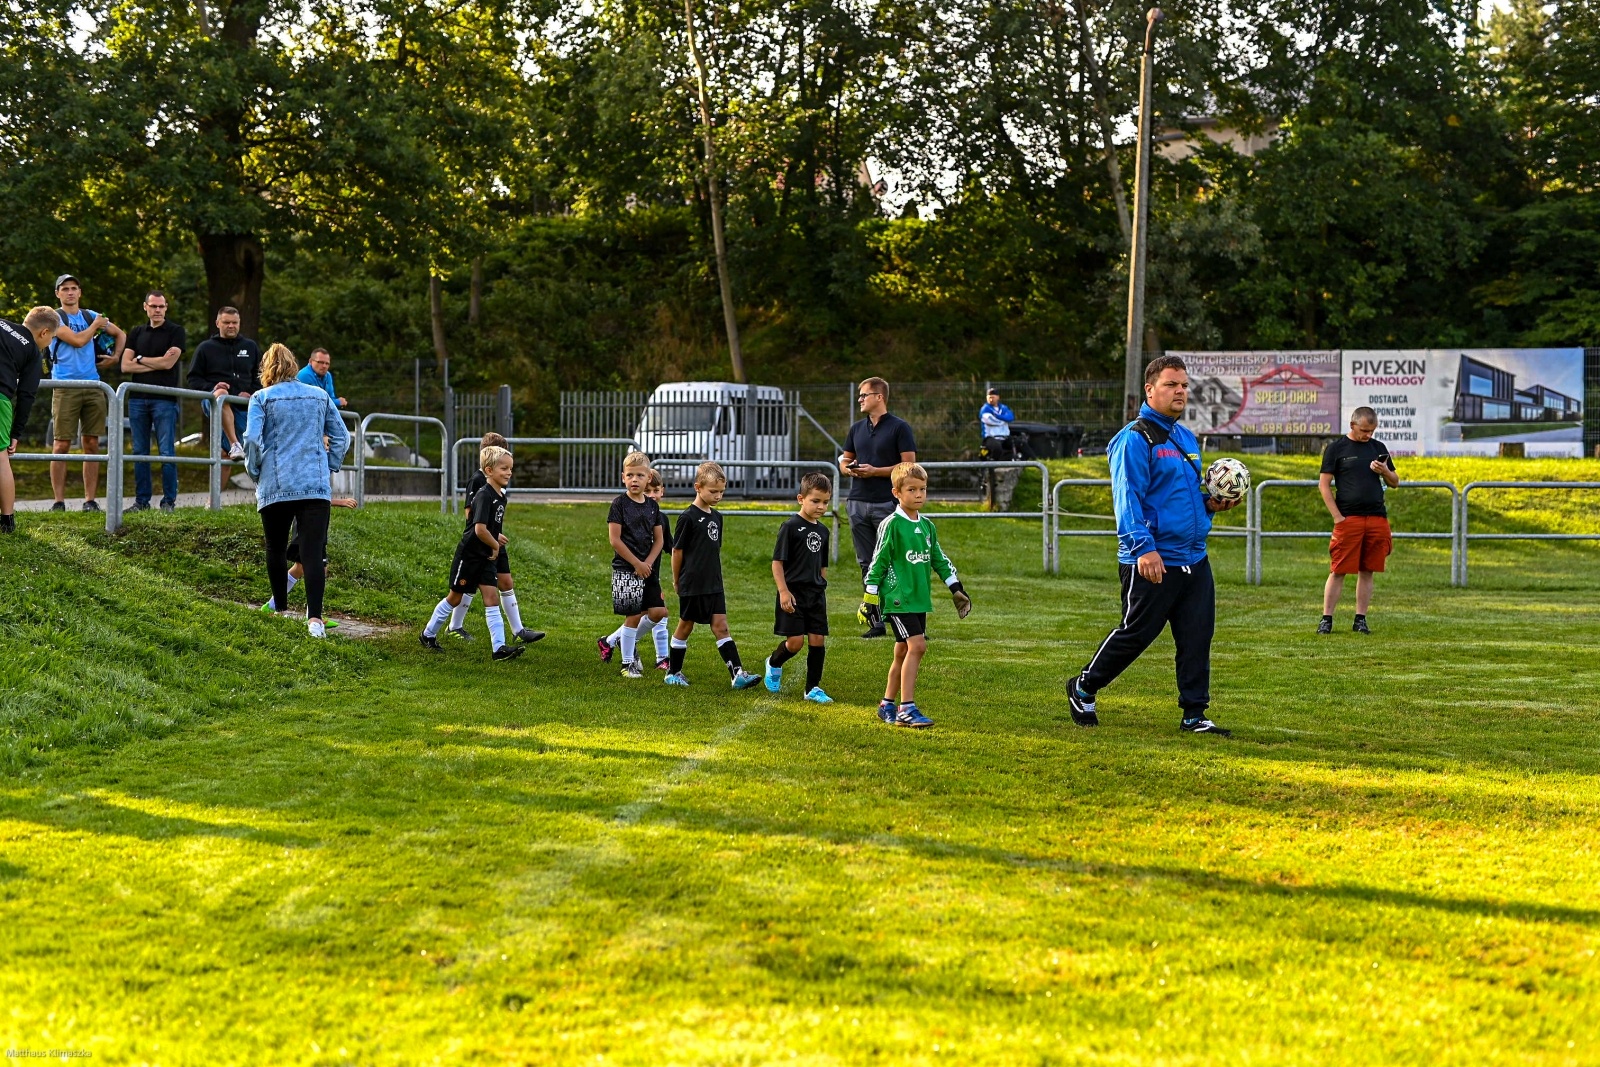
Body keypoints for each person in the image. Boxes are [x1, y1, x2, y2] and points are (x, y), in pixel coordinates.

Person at [1067, 355, 1239, 736]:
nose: (1180, 392)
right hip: (1151, 558)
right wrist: (1143, 548)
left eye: (1184, 385)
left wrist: (1211, 504)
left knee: (1197, 636)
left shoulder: (1184, 436)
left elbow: (1183, 496)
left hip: (1193, 557)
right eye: (1171, 385)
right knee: (1137, 634)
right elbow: (1128, 498)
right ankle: (1083, 687)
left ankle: (1194, 714)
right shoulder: (1134, 438)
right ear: (1150, 389)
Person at [243, 342, 351, 639]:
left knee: (275, 547)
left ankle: (280, 610)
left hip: (276, 483)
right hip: (314, 485)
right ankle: (315, 620)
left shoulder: (261, 398)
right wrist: (329, 465)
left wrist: (255, 470)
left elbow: (252, 440)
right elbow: (342, 436)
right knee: (312, 552)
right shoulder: (318, 395)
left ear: (266, 369)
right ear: (295, 366)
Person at [860, 463, 971, 729]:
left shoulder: (928, 526)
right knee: (918, 646)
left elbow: (939, 559)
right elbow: (878, 561)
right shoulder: (892, 525)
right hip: (898, 598)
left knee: (902, 651)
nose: (919, 494)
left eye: (922, 489)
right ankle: (906, 709)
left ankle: (887, 703)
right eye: (912, 489)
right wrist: (870, 596)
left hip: (919, 599)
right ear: (896, 492)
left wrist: (956, 588)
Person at [418, 446, 526, 661]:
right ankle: (428, 634)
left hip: (486, 556)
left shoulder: (500, 497)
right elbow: (479, 529)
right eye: (504, 468)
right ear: (489, 470)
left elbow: (490, 527)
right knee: (455, 597)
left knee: (491, 597)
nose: (509, 472)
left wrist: (496, 538)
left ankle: (499, 648)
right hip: (470, 556)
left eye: (510, 468)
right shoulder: (484, 495)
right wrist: (495, 545)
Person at [663, 461, 761, 689]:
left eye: (721, 492)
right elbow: (677, 552)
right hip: (693, 583)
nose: (718, 496)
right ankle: (673, 672)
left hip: (714, 583)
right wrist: (677, 580)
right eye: (713, 491)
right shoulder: (687, 517)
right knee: (686, 625)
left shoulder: (717, 517)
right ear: (698, 487)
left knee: (721, 626)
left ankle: (737, 675)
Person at [443, 432, 545, 645]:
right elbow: (471, 514)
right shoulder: (479, 480)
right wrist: (491, 535)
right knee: (469, 586)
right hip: (483, 541)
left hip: (494, 539)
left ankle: (518, 630)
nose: (508, 471)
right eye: (503, 466)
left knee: (506, 581)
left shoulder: (498, 484)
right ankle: (454, 626)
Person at [838, 377, 916, 638]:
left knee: (895, 563)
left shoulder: (900, 428)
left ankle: (906, 621)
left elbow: (908, 467)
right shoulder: (856, 428)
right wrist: (847, 468)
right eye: (860, 395)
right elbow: (845, 458)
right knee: (867, 564)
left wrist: (876, 472)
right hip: (857, 503)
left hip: (887, 504)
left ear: (879, 397)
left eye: (864, 395)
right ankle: (876, 621)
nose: (860, 399)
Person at [1318, 406, 1398, 634]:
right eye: (1364, 430)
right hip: (1348, 519)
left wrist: (1384, 470)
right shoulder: (1336, 448)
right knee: (1338, 569)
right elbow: (1324, 485)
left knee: (1368, 570)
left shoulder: (1378, 448)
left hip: (1376, 518)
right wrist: (1337, 517)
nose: (1368, 435)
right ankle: (1326, 619)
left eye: (1372, 431)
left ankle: (1360, 619)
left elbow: (1395, 482)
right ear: (1352, 425)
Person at [47, 274, 124, 513]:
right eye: (65, 289)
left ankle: (89, 500)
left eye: (74, 288)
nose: (70, 292)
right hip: (65, 386)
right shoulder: (53, 318)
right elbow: (79, 341)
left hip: (93, 385)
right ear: (58, 294)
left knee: (91, 443)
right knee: (61, 444)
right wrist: (96, 325)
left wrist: (116, 357)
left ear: (80, 292)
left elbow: (121, 334)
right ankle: (58, 502)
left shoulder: (90, 315)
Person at [762, 472, 835, 703]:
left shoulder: (823, 531)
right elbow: (777, 563)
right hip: (792, 593)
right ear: (801, 498)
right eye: (815, 501)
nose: (821, 506)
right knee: (795, 643)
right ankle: (773, 662)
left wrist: (821, 584)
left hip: (815, 595)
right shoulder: (790, 527)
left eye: (825, 502)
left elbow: (822, 565)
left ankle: (812, 688)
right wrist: (784, 591)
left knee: (817, 640)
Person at [119, 289, 187, 512]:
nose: (157, 310)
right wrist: (153, 361)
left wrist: (140, 358)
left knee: (166, 452)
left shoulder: (176, 331)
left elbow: (169, 364)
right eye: (153, 306)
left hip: (165, 400)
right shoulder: (137, 332)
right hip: (138, 400)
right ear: (145, 307)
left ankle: (168, 502)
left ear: (166, 307)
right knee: (140, 452)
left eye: (161, 306)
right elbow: (125, 365)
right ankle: (142, 502)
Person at [598, 467, 672, 670]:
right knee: (634, 615)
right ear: (623, 478)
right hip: (629, 569)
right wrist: (637, 564)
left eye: (656, 490)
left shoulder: (657, 513)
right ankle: (628, 662)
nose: (653, 496)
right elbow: (615, 539)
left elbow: (665, 544)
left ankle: (616, 641)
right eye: (630, 475)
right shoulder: (620, 505)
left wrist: (649, 564)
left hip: (650, 572)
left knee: (659, 613)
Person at [0, 308, 57, 533]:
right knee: (1, 458)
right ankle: (7, 521)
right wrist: (16, 433)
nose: (49, 342)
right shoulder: (33, 351)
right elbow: (26, 395)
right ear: (44, 332)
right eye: (51, 337)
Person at [259, 497, 357, 627]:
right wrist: (340, 502)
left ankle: (275, 605)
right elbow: (312, 493)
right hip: (306, 526)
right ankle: (313, 618)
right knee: (315, 566)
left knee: (301, 567)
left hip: (314, 525)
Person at [187, 306, 261, 464]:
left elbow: (260, 376)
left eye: (235, 322)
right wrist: (212, 388)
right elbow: (193, 378)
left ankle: (226, 485)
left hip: (244, 405)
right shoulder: (205, 348)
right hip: (215, 401)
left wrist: (249, 391)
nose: (231, 326)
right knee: (221, 393)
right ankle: (234, 444)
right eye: (227, 322)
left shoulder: (250, 346)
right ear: (217, 323)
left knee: (246, 453)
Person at [979, 388, 1016, 459]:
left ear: (998, 397)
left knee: (1020, 443)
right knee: (997, 447)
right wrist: (1003, 420)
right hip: (990, 437)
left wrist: (998, 416)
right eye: (989, 397)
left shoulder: (1003, 407)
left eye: (993, 397)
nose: (991, 399)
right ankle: (993, 466)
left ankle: (1035, 461)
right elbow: (991, 421)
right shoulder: (985, 409)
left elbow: (1010, 417)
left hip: (1004, 437)